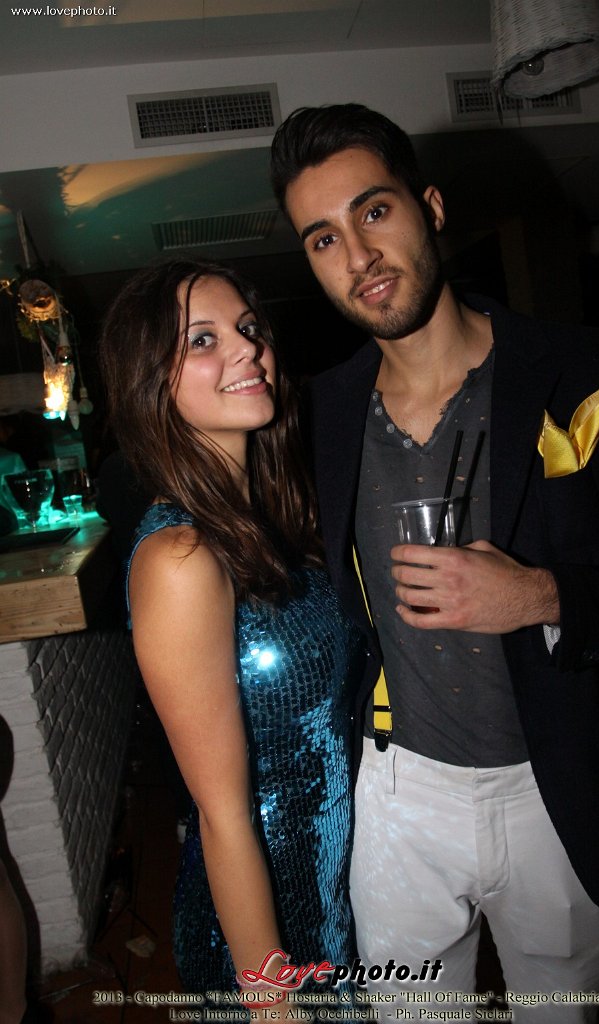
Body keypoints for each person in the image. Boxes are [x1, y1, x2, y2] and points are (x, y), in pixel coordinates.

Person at [269, 104, 599, 1019]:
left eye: (374, 212)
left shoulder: (579, 370)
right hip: (399, 795)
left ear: (430, 207)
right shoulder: (318, 415)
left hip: (553, 785)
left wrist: (540, 594)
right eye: (323, 239)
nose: (358, 256)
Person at [98, 258, 362, 999]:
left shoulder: (272, 516)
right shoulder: (181, 557)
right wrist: (272, 1003)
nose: (248, 347)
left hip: (334, 884)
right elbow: (221, 816)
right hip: (263, 922)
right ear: (152, 383)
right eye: (203, 339)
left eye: (247, 328)